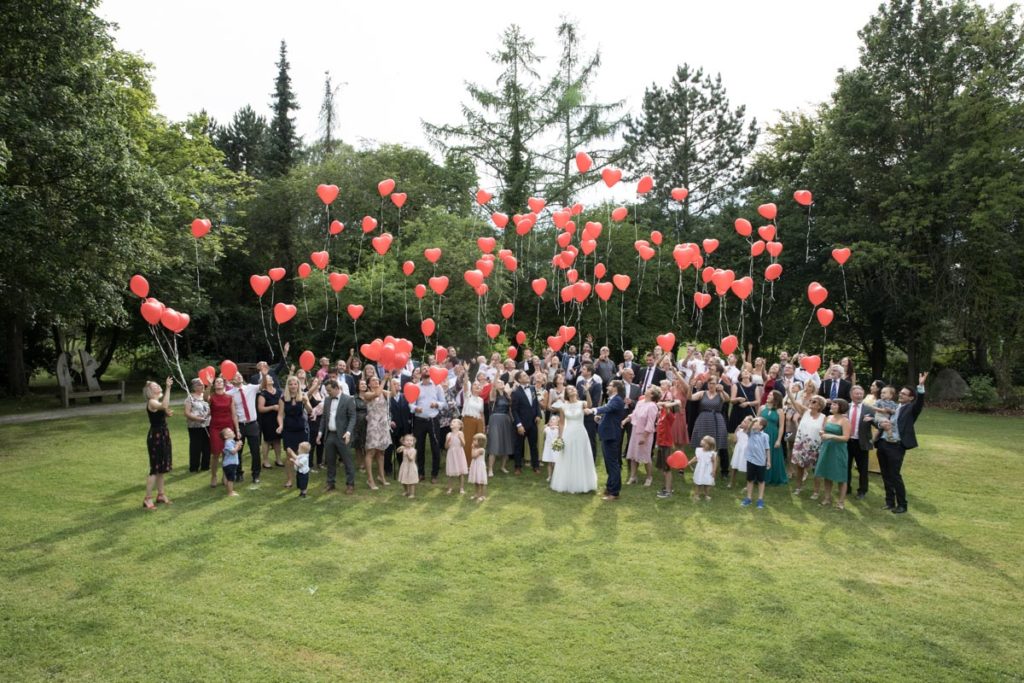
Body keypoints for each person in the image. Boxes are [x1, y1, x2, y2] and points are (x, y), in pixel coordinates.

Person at [875, 373, 928, 514]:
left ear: (911, 398)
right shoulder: (895, 407)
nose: (901, 395)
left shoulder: (911, 409)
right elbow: (885, 422)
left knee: (895, 476)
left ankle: (902, 505)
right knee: (885, 475)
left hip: (896, 447)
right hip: (883, 443)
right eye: (901, 393)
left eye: (904, 394)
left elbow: (919, 403)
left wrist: (920, 386)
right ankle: (890, 502)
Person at [548, 386, 598, 493]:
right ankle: (568, 482)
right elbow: (561, 423)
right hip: (568, 433)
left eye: (574, 388)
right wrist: (560, 437)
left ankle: (583, 483)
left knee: (581, 456)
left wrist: (587, 391)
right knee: (568, 456)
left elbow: (590, 405)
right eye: (570, 389)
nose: (573, 390)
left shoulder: (582, 403)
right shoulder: (563, 407)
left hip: (581, 433)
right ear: (566, 393)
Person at [588, 379, 626, 501]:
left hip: (612, 436)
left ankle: (614, 493)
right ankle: (609, 488)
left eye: (609, 385)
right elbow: (611, 417)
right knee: (609, 464)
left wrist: (593, 410)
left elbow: (607, 408)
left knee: (613, 464)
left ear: (615, 388)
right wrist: (600, 420)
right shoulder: (613, 399)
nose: (607, 387)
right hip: (607, 435)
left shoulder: (617, 400)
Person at [317, 379, 357, 493]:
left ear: (336, 388)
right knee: (330, 460)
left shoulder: (349, 399)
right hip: (330, 435)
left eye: (329, 390)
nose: (328, 393)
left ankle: (350, 484)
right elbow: (324, 418)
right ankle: (330, 483)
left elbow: (353, 417)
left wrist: (348, 432)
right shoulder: (327, 400)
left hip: (343, 436)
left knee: (347, 461)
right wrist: (320, 433)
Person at [788, 388, 827, 497]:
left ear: (820, 406)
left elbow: (824, 432)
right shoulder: (805, 412)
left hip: (815, 446)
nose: (810, 402)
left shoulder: (824, 418)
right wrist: (787, 389)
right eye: (810, 400)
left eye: (814, 401)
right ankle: (798, 487)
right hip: (801, 444)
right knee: (800, 468)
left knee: (816, 470)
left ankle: (816, 491)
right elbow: (793, 401)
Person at [142, 378, 174, 510]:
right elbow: (164, 406)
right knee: (155, 469)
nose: (157, 386)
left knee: (162, 468)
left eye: (157, 385)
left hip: (163, 434)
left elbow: (162, 410)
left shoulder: (156, 401)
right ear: (150, 391)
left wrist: (165, 415)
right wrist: (168, 388)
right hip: (156, 436)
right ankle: (147, 499)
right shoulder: (152, 401)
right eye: (154, 386)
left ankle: (161, 495)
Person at [277, 375, 313, 490]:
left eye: (295, 384)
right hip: (288, 429)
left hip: (302, 429)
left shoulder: (303, 396)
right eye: (290, 384)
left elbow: (310, 411)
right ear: (287, 385)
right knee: (289, 455)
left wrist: (306, 402)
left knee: (302, 455)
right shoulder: (283, 398)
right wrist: (281, 425)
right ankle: (289, 479)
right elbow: (280, 414)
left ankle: (302, 477)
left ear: (298, 385)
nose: (293, 386)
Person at [814, 399, 852, 510]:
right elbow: (823, 430)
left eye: (834, 404)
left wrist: (831, 436)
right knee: (827, 473)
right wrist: (822, 433)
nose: (832, 406)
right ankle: (827, 498)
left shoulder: (845, 421)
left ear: (841, 407)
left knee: (841, 476)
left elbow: (846, 438)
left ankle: (841, 501)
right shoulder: (828, 418)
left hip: (838, 450)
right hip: (827, 448)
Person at [623, 385, 660, 487]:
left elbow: (650, 423)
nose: (646, 390)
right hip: (635, 431)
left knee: (645, 456)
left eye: (649, 390)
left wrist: (644, 436)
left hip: (645, 434)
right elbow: (634, 414)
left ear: (652, 394)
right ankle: (633, 476)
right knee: (633, 455)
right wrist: (626, 420)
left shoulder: (653, 406)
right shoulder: (640, 402)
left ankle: (649, 477)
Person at [228, 372, 262, 483]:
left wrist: (265, 375)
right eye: (236, 375)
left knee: (255, 451)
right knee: (238, 451)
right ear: (232, 380)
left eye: (240, 374)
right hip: (239, 425)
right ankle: (238, 473)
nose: (239, 376)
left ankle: (256, 474)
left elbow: (263, 385)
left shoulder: (251, 388)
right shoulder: (229, 393)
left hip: (252, 424)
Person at [411, 374, 445, 483]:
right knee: (419, 447)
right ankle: (421, 473)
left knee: (435, 447)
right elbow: (411, 404)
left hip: (433, 420)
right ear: (421, 373)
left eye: (427, 370)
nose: (426, 372)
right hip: (419, 420)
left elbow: (443, 403)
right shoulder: (416, 387)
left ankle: (434, 474)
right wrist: (416, 408)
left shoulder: (437, 386)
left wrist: (436, 404)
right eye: (423, 370)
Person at [689, 377, 729, 465]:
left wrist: (722, 390)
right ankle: (700, 464)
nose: (711, 385)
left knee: (715, 444)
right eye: (709, 383)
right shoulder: (702, 393)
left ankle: (712, 467)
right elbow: (690, 398)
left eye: (713, 383)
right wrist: (691, 387)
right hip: (703, 419)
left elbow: (727, 399)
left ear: (717, 384)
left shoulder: (720, 394)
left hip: (717, 421)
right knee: (701, 442)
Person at [208, 376, 239, 488]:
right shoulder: (211, 397)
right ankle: (214, 476)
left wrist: (237, 430)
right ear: (215, 385)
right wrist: (209, 385)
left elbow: (234, 415)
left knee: (227, 452)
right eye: (217, 382)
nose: (219, 383)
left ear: (224, 384)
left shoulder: (230, 397)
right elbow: (205, 397)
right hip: (215, 427)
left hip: (228, 427)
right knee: (216, 453)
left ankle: (225, 475)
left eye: (221, 381)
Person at [363, 374, 391, 489]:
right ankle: (370, 480)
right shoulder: (367, 394)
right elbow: (376, 394)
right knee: (371, 452)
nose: (376, 381)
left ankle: (381, 477)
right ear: (369, 384)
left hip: (383, 425)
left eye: (377, 380)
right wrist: (384, 379)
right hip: (373, 426)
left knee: (381, 452)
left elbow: (393, 394)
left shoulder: (383, 391)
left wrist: (390, 378)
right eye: (373, 380)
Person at [511, 370, 542, 474]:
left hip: (533, 423)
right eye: (524, 375)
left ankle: (536, 466)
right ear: (519, 379)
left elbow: (536, 403)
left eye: (526, 375)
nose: (527, 376)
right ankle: (517, 467)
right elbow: (514, 410)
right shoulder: (515, 392)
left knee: (534, 445)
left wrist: (538, 415)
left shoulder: (533, 388)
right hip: (521, 424)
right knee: (519, 446)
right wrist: (519, 425)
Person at [846, 385, 875, 499]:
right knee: (846, 467)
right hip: (847, 442)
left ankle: (862, 490)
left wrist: (873, 420)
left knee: (863, 469)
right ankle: (846, 487)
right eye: (856, 393)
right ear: (851, 395)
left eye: (860, 394)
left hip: (861, 442)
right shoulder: (845, 407)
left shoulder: (869, 409)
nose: (859, 396)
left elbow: (876, 423)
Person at [486, 378, 516, 476]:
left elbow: (510, 410)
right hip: (495, 419)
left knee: (506, 443)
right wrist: (498, 372)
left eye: (502, 382)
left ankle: (503, 467)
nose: (501, 383)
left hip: (506, 420)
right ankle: (490, 469)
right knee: (494, 443)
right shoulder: (493, 394)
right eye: (498, 382)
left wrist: (513, 421)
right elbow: (494, 384)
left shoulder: (507, 396)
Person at [741, 417, 772, 509]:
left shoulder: (765, 436)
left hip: (760, 461)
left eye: (756, 422)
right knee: (750, 479)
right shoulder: (751, 433)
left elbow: (767, 449)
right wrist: (753, 421)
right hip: (750, 460)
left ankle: (760, 499)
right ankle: (748, 497)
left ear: (761, 426)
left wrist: (768, 461)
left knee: (761, 481)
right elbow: (747, 429)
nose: (754, 423)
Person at [760, 390, 788, 486]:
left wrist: (779, 440)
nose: (768, 395)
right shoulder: (762, 408)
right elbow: (757, 421)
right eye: (769, 394)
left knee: (772, 454)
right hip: (762, 433)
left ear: (776, 398)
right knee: (761, 453)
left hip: (773, 434)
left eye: (771, 395)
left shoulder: (780, 411)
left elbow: (781, 426)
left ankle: (773, 477)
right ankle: (760, 476)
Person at [183, 378, 211, 473]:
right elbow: (187, 413)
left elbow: (211, 407)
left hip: (207, 424)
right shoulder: (190, 398)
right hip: (195, 426)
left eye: (203, 384)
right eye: (199, 385)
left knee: (207, 446)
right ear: (194, 387)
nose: (202, 386)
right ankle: (194, 467)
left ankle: (205, 466)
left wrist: (208, 415)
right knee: (196, 446)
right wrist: (197, 418)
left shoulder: (206, 396)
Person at [257, 374, 283, 469]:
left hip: (278, 418)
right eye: (268, 378)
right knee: (267, 440)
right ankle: (265, 461)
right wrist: (272, 407)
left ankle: (278, 459)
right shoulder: (262, 394)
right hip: (267, 420)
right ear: (263, 382)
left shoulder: (279, 391)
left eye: (271, 378)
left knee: (277, 439)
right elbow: (260, 409)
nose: (271, 379)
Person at [729, 415, 754, 489]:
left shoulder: (750, 433)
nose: (742, 422)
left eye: (745, 422)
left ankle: (748, 484)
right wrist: (736, 432)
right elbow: (735, 441)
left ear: (750, 425)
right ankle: (731, 482)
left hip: (745, 453)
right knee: (734, 467)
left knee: (747, 468)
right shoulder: (739, 431)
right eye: (743, 421)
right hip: (738, 452)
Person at [444, 418, 468, 494]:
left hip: (459, 453)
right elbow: (446, 447)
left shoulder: (460, 433)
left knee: (461, 472)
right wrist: (447, 442)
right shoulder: (448, 434)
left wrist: (460, 438)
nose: (452, 423)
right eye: (451, 422)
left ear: (459, 425)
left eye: (454, 422)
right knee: (451, 472)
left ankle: (461, 488)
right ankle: (450, 488)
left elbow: (463, 444)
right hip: (451, 454)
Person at [691, 436, 717, 500]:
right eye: (702, 440)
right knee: (698, 483)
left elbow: (714, 462)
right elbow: (696, 458)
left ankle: (706, 495)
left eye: (705, 441)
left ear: (709, 446)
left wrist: (714, 470)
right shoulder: (699, 450)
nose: (702, 441)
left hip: (708, 470)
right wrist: (689, 462)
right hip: (700, 470)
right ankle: (696, 494)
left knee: (707, 483)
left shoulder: (711, 453)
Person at [219, 427, 243, 496]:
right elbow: (233, 452)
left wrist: (238, 445)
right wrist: (237, 446)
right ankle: (230, 492)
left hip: (230, 464)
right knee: (231, 479)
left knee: (229, 478)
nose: (232, 432)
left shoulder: (231, 441)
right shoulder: (228, 442)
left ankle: (230, 489)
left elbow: (235, 449)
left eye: (232, 431)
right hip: (230, 464)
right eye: (230, 432)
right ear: (226, 436)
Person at [467, 433, 489, 501]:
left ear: (480, 441)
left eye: (475, 440)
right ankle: (476, 494)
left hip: (480, 467)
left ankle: (482, 495)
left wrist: (473, 448)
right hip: (475, 466)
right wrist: (473, 448)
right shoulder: (476, 448)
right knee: (476, 482)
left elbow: (474, 456)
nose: (473, 441)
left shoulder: (481, 450)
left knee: (481, 482)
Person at [397, 433, 419, 498]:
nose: (409, 442)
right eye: (407, 440)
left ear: (413, 442)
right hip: (404, 466)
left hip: (411, 467)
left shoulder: (414, 450)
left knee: (411, 481)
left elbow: (411, 459)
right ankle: (406, 491)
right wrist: (400, 448)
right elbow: (398, 451)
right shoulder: (404, 448)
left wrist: (407, 454)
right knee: (403, 480)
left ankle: (412, 493)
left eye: (411, 441)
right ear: (404, 442)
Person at [540, 415, 560, 482]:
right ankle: (549, 476)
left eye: (554, 419)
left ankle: (555, 476)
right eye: (551, 419)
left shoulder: (558, 429)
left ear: (557, 422)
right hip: (548, 448)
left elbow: (562, 429)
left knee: (555, 463)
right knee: (549, 463)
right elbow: (542, 430)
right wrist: (547, 425)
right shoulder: (547, 429)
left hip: (555, 448)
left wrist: (556, 426)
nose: (552, 420)